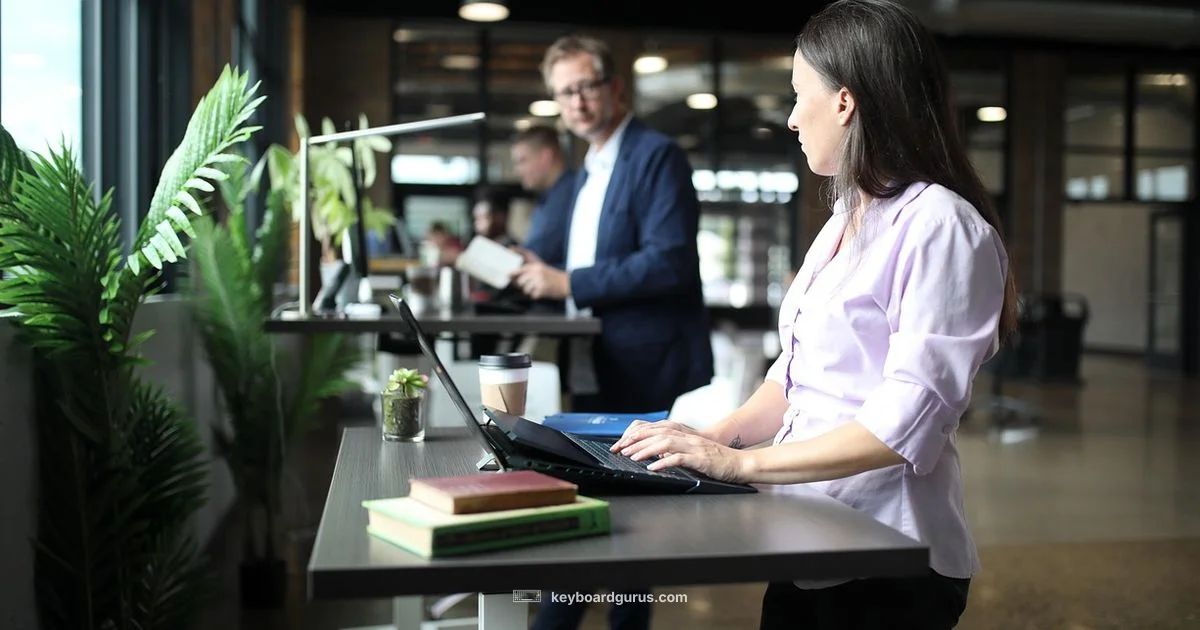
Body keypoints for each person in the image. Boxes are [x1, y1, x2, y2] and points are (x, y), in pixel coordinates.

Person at [609, 1, 1020, 628]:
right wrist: (712, 438)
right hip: (810, 531)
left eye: (800, 95)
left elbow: (902, 424)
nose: (793, 118)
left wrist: (743, 464)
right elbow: (795, 373)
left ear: (845, 103)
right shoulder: (844, 219)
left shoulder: (942, 226)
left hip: (889, 555)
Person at [511, 33, 714, 630]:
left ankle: (584, 623)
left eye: (584, 87)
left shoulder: (655, 157)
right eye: (562, 93)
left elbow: (671, 260)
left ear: (614, 87)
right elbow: (557, 256)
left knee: (630, 507)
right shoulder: (587, 171)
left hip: (643, 360)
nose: (575, 102)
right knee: (596, 494)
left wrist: (568, 281)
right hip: (595, 358)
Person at [510, 124, 575, 265]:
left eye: (522, 161)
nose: (518, 172)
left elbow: (541, 253)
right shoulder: (549, 197)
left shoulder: (568, 196)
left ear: (545, 156)